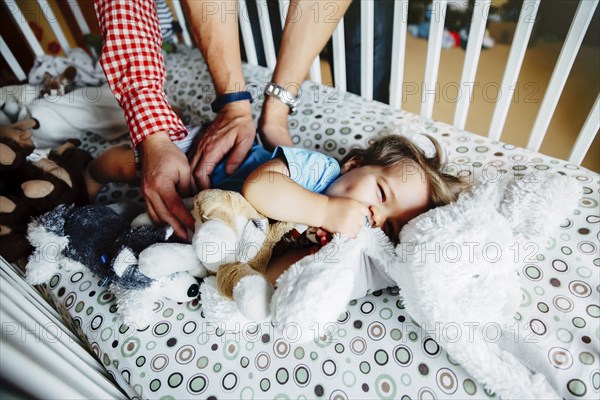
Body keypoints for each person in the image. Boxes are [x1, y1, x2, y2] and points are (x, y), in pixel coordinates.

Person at [93, 0, 351, 240]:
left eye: (391, 224)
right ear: (354, 163)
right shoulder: (324, 171)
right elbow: (263, 187)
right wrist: (154, 135)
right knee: (129, 167)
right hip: (203, 156)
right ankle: (89, 171)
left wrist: (273, 116)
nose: (373, 214)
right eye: (381, 193)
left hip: (211, 197)